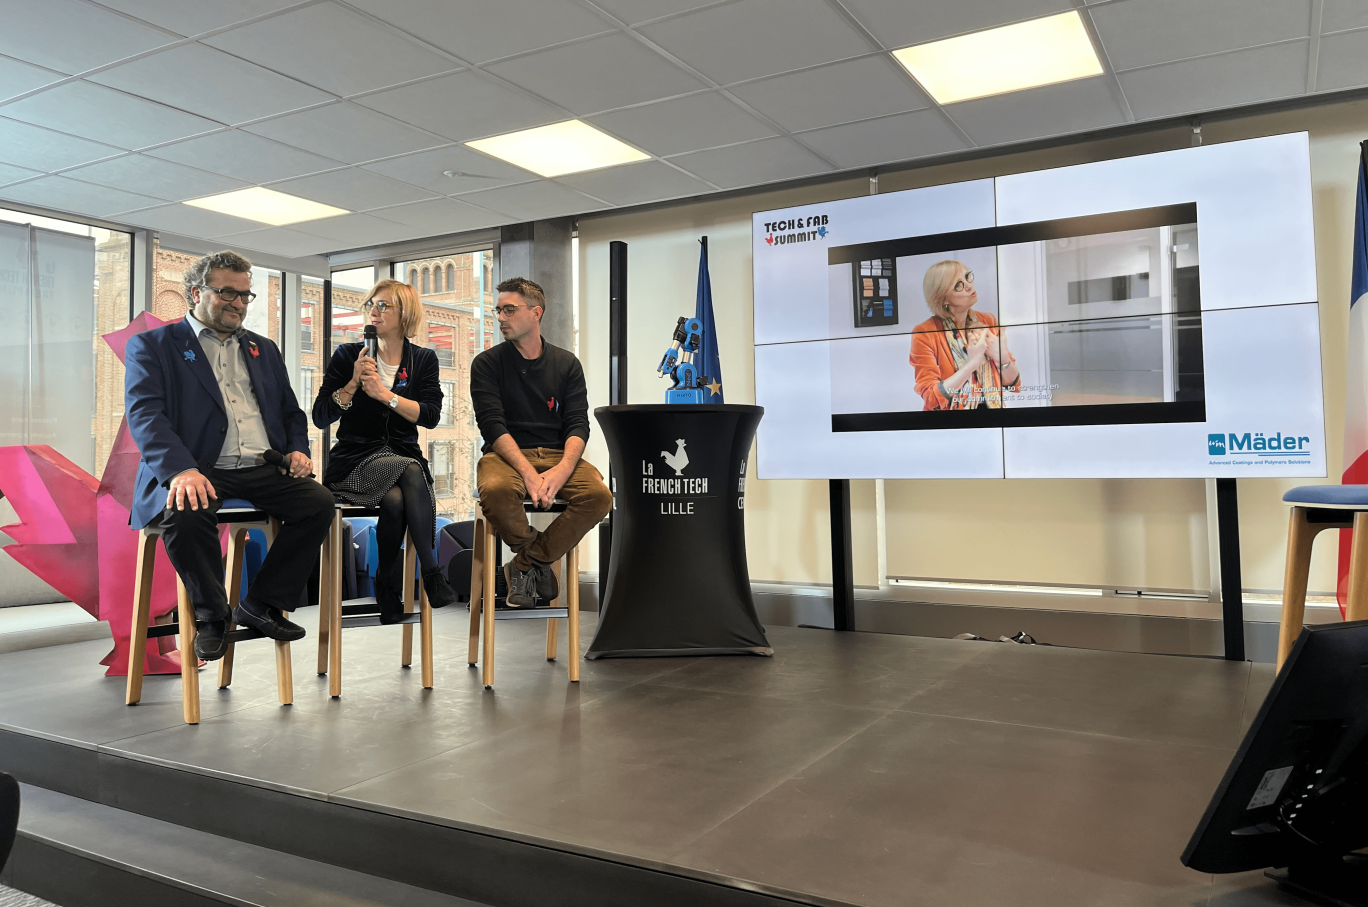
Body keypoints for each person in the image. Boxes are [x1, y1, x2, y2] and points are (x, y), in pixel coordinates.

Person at [124, 250, 335, 661]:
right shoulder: (154, 346)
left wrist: (296, 449)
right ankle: (213, 615)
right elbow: (145, 414)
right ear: (195, 292)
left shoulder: (263, 348)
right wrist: (181, 470)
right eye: (226, 293)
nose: (237, 303)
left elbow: (290, 411)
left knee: (318, 503)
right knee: (184, 512)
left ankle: (261, 603)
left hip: (260, 467)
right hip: (197, 468)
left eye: (244, 295)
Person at [313, 279, 459, 622]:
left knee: (395, 498)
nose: (374, 312)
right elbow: (321, 415)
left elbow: (431, 416)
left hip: (401, 458)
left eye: (384, 306)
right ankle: (433, 573)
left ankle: (386, 583)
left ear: (405, 314)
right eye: (371, 305)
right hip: (354, 461)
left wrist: (385, 395)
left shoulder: (423, 360)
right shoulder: (349, 354)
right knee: (409, 471)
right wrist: (351, 384)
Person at [470, 277, 612, 607]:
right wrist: (529, 474)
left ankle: (522, 564)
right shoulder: (487, 364)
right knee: (496, 490)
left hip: (558, 454)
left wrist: (562, 470)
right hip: (505, 455)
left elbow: (578, 423)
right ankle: (539, 558)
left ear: (536, 312)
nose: (501, 317)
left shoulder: (566, 364)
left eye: (509, 309)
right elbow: (492, 426)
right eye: (498, 310)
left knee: (599, 497)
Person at [909, 260, 1021, 410]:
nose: (969, 286)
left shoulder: (988, 320)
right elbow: (931, 398)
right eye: (958, 285)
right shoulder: (925, 332)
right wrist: (972, 363)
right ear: (944, 299)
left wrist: (1002, 357)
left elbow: (1013, 383)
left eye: (968, 277)